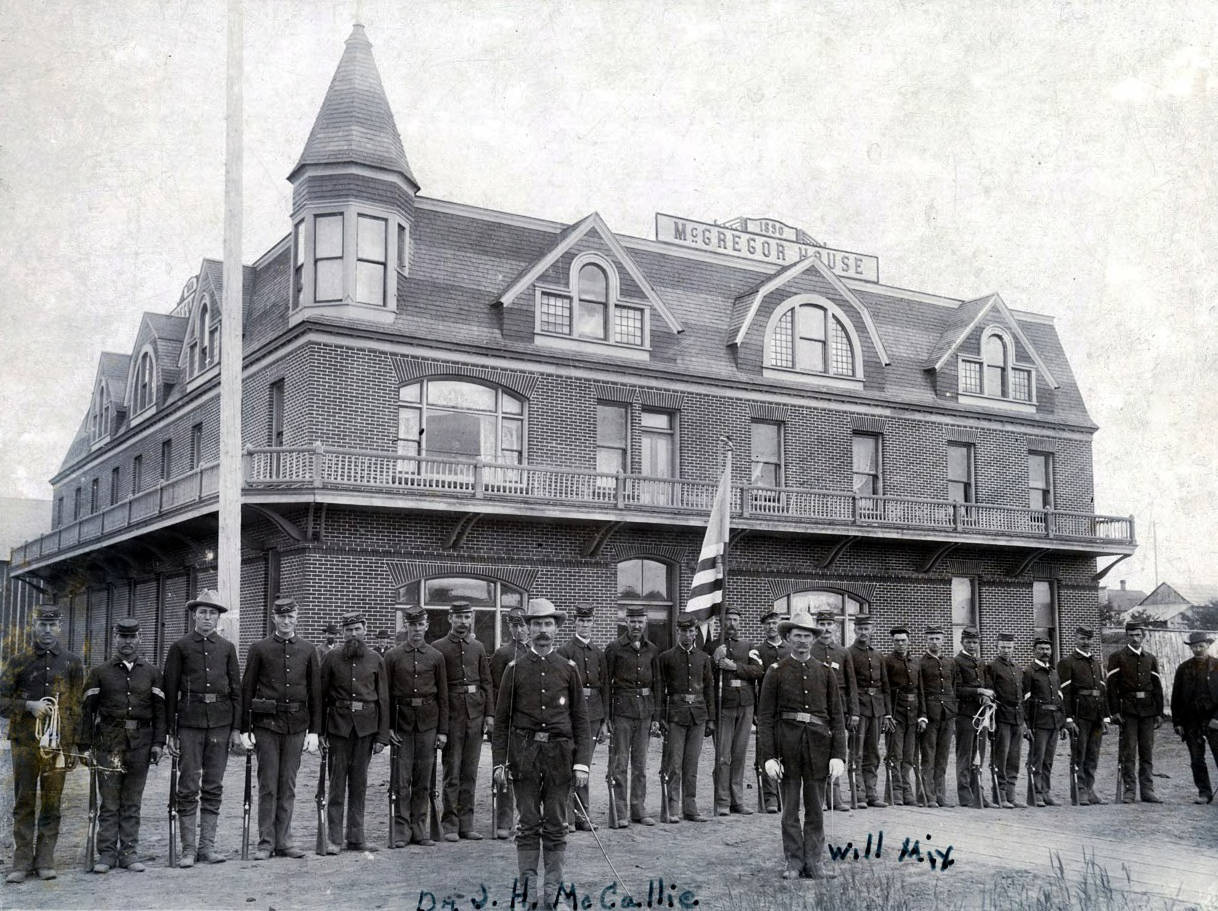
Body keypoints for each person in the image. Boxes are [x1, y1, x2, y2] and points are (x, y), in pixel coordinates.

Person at [492, 598, 592, 909]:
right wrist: (500, 762)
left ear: (556, 628)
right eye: (536, 624)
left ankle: (551, 895)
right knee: (528, 824)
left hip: (560, 758)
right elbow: (502, 722)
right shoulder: (514, 669)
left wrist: (582, 764)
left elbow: (581, 720)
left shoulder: (568, 668)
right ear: (528, 629)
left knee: (556, 823)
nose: (542, 631)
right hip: (524, 756)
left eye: (548, 624)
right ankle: (528, 896)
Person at [757, 611, 846, 881]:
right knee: (790, 809)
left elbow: (837, 717)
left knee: (816, 809)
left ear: (813, 639)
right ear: (788, 638)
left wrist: (838, 755)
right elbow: (765, 718)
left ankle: (814, 862)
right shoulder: (776, 672)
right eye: (797, 636)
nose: (803, 641)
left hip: (819, 746)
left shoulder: (825, 672)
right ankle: (794, 862)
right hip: (788, 747)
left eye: (807, 636)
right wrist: (769, 756)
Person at [1, 606, 85, 883]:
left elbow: (75, 708)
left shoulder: (72, 663)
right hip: (25, 743)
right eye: (42, 625)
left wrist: (72, 746)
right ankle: (21, 862)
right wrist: (28, 705)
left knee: (52, 801)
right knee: (24, 801)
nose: (47, 631)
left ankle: (46, 860)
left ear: (60, 626)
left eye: (52, 625)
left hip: (57, 745)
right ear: (33, 625)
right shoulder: (17, 661)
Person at [78, 618, 166, 874]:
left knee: (132, 801)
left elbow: (160, 711)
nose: (127, 642)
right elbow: (86, 712)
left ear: (140, 639)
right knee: (110, 801)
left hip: (141, 743)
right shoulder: (100, 673)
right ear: (114, 638)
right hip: (108, 743)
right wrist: (84, 745)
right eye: (122, 637)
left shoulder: (152, 673)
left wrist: (159, 743)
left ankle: (129, 853)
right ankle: (106, 854)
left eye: (132, 637)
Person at [162, 589, 243, 866]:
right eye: (202, 612)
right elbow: (170, 692)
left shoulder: (227, 648)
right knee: (187, 785)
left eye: (212, 612)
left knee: (213, 784)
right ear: (194, 615)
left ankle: (207, 847)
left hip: (220, 723)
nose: (207, 617)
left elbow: (236, 691)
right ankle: (187, 849)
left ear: (218, 617)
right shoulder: (180, 647)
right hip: (189, 723)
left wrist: (235, 729)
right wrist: (170, 732)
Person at [239, 596, 321, 860]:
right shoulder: (259, 648)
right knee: (268, 785)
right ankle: (266, 842)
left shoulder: (309, 650)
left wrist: (314, 731)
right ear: (273, 618)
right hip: (267, 726)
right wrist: (245, 728)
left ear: (297, 617)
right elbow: (247, 689)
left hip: (296, 725)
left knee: (288, 784)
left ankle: (284, 840)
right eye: (281, 616)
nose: (286, 621)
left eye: (290, 616)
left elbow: (315, 693)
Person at [319, 610, 389, 852]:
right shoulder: (331, 658)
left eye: (357, 629)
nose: (353, 634)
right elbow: (320, 697)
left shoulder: (376, 659)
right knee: (336, 784)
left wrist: (382, 736)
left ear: (365, 629)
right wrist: (319, 733)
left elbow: (383, 699)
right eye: (349, 630)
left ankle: (357, 837)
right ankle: (334, 839)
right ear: (343, 633)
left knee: (359, 784)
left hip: (366, 729)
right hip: (338, 728)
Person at [385, 606, 449, 846]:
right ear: (406, 627)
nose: (416, 630)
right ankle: (401, 830)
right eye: (412, 625)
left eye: (420, 625)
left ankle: (420, 829)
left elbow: (443, 696)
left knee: (424, 779)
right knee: (401, 780)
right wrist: (388, 727)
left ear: (427, 626)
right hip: (401, 724)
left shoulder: (436, 657)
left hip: (427, 724)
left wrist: (442, 730)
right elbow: (387, 695)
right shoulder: (392, 656)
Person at [433, 601, 493, 841]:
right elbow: (438, 688)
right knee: (452, 770)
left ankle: (467, 824)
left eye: (467, 617)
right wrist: (442, 725)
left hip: (475, 715)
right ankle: (449, 824)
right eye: (458, 617)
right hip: (452, 715)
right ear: (450, 619)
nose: (463, 622)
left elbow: (487, 682)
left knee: (470, 771)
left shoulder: (477, 647)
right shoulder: (438, 648)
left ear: (471, 619)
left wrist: (489, 715)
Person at [604, 604, 662, 827]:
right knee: (619, 764)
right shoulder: (614, 648)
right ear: (625, 622)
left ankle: (639, 810)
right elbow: (608, 684)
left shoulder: (652, 650)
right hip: (622, 712)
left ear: (645, 623)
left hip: (645, 711)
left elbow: (657, 683)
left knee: (640, 764)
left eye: (640, 621)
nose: (636, 625)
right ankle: (619, 812)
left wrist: (656, 716)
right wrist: (608, 716)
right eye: (632, 621)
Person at [656, 615, 715, 823]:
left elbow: (709, 690)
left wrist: (711, 719)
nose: (688, 636)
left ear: (696, 633)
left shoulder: (703, 658)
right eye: (684, 632)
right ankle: (672, 807)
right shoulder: (666, 657)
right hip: (675, 715)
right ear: (677, 632)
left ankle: (690, 807)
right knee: (674, 763)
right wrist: (661, 716)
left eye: (692, 632)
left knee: (692, 764)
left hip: (698, 715)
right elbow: (660, 690)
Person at [711, 606, 765, 816]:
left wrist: (735, 667)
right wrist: (715, 660)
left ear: (739, 622)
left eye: (735, 619)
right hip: (724, 706)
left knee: (739, 754)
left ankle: (737, 800)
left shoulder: (748, 646)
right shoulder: (712, 646)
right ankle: (722, 801)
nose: (731, 623)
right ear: (721, 622)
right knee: (723, 757)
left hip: (745, 705)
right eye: (727, 620)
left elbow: (758, 670)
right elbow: (705, 675)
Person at [558, 604, 607, 830]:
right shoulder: (565, 651)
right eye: (581, 621)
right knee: (568, 764)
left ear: (593, 623)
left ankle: (583, 816)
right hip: (572, 715)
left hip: (594, 715)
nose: (585, 625)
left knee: (584, 765)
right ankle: (566, 816)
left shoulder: (598, 652)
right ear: (575, 623)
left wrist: (604, 721)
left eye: (588, 621)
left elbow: (604, 686)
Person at [1106, 621, 1165, 803]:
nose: (1135, 638)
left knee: (1147, 751)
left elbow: (1157, 687)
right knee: (1129, 751)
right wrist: (1114, 711)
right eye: (1131, 635)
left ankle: (1147, 790)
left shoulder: (1150, 658)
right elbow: (1111, 687)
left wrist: (1159, 712)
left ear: (1143, 636)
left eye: (1138, 635)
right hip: (1128, 710)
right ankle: (1129, 790)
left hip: (1148, 710)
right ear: (1126, 636)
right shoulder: (1117, 657)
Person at [1057, 626, 1109, 806]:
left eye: (1089, 639)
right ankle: (1079, 792)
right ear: (1076, 639)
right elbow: (1065, 692)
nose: (1086, 642)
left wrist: (1105, 717)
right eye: (1082, 638)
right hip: (1079, 715)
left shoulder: (1096, 663)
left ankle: (1089, 788)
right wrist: (1068, 718)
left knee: (1093, 754)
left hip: (1096, 715)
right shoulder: (1068, 662)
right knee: (1079, 753)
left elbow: (1102, 690)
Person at [811, 611, 857, 811]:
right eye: (822, 623)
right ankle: (818, 798)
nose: (826, 628)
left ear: (835, 626)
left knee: (837, 750)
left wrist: (853, 712)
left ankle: (835, 798)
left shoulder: (843, 652)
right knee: (818, 752)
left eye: (830, 623)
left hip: (839, 711)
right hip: (817, 709)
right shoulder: (811, 650)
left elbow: (852, 684)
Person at [490, 606, 529, 838]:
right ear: (509, 627)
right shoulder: (502, 654)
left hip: (527, 719)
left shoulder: (533, 652)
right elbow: (495, 689)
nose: (520, 630)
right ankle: (503, 821)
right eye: (515, 625)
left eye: (523, 625)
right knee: (503, 768)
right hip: (509, 719)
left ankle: (525, 818)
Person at [847, 615, 891, 808]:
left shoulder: (878, 655)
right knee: (857, 751)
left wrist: (887, 712)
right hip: (860, 707)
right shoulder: (849, 653)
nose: (863, 632)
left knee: (873, 752)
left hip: (877, 708)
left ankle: (872, 793)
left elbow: (885, 686)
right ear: (854, 630)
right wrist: (853, 711)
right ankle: (859, 793)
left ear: (872, 630)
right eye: (860, 628)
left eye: (867, 628)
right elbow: (851, 685)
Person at [1171, 631, 1218, 804]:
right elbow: (1176, 697)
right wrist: (1177, 722)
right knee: (1197, 759)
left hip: (1214, 719)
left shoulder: (1217, 665)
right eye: (1194, 647)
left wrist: (1217, 719)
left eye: (1201, 646)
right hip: (1191, 721)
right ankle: (1204, 793)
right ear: (1190, 648)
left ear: (1207, 645)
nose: (1198, 649)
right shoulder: (1184, 668)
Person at [951, 627, 994, 808]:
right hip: (965, 715)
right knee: (965, 755)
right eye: (968, 642)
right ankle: (965, 796)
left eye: (975, 642)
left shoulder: (981, 662)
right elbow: (957, 689)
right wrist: (978, 691)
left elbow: (988, 686)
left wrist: (986, 696)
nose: (972, 645)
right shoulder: (956, 662)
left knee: (979, 756)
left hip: (981, 715)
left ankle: (979, 794)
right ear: (962, 642)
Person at [916, 625, 956, 808]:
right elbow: (921, 692)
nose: (935, 642)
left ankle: (941, 795)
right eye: (931, 638)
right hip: (930, 715)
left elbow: (952, 688)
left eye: (938, 638)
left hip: (947, 714)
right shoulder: (921, 664)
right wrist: (923, 715)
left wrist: (952, 711)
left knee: (942, 757)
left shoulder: (949, 663)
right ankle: (928, 795)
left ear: (943, 640)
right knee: (928, 755)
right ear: (926, 640)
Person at [1022, 637, 1064, 807]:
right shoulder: (1029, 672)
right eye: (1041, 649)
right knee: (1036, 759)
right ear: (1034, 651)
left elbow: (1060, 698)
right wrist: (1027, 725)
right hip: (1038, 722)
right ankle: (1035, 794)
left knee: (1048, 760)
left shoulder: (1053, 672)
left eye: (1047, 649)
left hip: (1054, 722)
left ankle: (1046, 792)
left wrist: (1062, 723)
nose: (1045, 652)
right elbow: (1025, 700)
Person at [883, 627, 921, 806]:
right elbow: (885, 690)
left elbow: (920, 690)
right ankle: (895, 793)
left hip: (912, 714)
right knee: (895, 754)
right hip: (896, 712)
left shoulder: (915, 662)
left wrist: (923, 715)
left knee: (909, 755)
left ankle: (907, 791)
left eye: (903, 640)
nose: (900, 644)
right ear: (893, 642)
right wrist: (888, 714)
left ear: (909, 641)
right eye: (897, 641)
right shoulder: (888, 662)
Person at [756, 610, 789, 813]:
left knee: (787, 751)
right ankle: (770, 797)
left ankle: (786, 794)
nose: (771, 627)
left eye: (774, 623)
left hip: (786, 708)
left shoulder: (789, 649)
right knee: (767, 751)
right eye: (767, 623)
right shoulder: (759, 651)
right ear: (763, 626)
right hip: (767, 708)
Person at [986, 632, 1023, 808]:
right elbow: (990, 693)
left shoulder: (1016, 668)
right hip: (1001, 717)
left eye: (1009, 647)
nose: (1006, 650)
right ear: (997, 647)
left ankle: (1011, 794)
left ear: (1013, 648)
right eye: (1003, 647)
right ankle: (999, 795)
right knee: (1001, 756)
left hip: (1017, 717)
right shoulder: (992, 667)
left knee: (1014, 758)